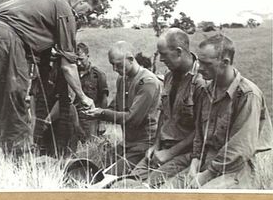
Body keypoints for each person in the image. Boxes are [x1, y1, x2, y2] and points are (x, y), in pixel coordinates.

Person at [0, 0, 100, 157]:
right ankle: (19, 160)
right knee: (16, 99)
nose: (84, 16)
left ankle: (2, 156)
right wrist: (83, 97)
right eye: (88, 11)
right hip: (4, 38)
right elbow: (68, 65)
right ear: (83, 1)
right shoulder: (65, 10)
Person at [176, 34, 273, 189]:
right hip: (205, 162)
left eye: (206, 63)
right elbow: (200, 135)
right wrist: (195, 164)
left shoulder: (248, 95)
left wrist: (206, 175)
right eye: (199, 62)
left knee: (199, 199)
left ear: (225, 62)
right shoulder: (204, 91)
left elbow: (240, 148)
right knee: (165, 192)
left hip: (234, 170)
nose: (199, 68)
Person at [131, 28, 205, 187]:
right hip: (161, 150)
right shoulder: (169, 76)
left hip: (185, 154)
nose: (161, 60)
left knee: (149, 188)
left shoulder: (201, 81)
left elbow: (201, 130)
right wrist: (155, 146)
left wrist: (169, 153)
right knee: (128, 183)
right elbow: (164, 115)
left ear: (178, 52)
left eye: (163, 54)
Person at [84, 41, 161, 176]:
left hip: (144, 145)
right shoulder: (122, 80)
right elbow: (115, 106)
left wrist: (101, 113)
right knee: (95, 166)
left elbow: (132, 119)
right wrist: (93, 110)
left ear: (131, 59)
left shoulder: (148, 82)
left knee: (109, 176)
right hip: (127, 143)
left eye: (118, 65)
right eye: (112, 65)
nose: (115, 69)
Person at [75, 42, 109, 140]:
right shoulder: (72, 75)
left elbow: (104, 99)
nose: (78, 63)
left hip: (91, 119)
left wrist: (102, 122)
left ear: (88, 56)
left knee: (89, 146)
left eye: (81, 59)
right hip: (74, 118)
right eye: (76, 60)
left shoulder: (98, 75)